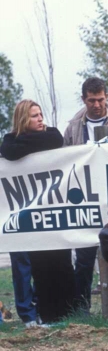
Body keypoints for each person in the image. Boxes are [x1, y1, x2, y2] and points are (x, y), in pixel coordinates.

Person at [63, 78, 108, 325]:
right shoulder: (73, 126)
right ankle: (82, 312)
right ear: (84, 99)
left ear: (106, 97)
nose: (97, 104)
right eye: (92, 100)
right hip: (85, 201)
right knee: (83, 260)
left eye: (101, 99)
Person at [1, 100, 77, 324]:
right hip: (28, 215)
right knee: (38, 268)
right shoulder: (10, 141)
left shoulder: (50, 134)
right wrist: (31, 142)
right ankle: (45, 315)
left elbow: (55, 138)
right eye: (34, 116)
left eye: (41, 114)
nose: (40, 119)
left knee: (62, 263)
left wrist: (29, 142)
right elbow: (9, 149)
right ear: (24, 119)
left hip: (54, 209)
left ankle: (68, 314)